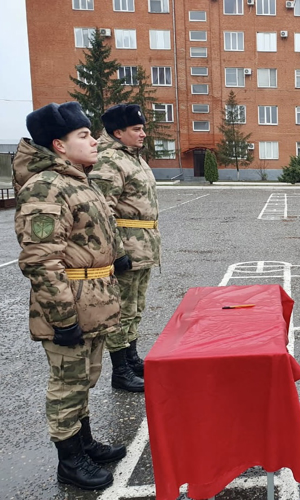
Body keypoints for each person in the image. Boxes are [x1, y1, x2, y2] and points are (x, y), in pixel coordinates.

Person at [13, 102, 129, 490]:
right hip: (69, 306)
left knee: (84, 379)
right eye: (83, 135)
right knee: (67, 385)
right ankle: (70, 461)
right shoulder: (46, 185)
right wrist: (63, 319)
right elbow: (41, 260)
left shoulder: (78, 178)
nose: (94, 140)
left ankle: (84, 443)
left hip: (91, 301)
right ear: (58, 145)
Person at [90, 104, 161, 392]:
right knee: (120, 311)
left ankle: (131, 359)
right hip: (127, 249)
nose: (143, 133)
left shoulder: (133, 157)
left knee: (135, 308)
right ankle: (120, 371)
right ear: (118, 132)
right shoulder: (109, 160)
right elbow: (101, 210)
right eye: (136, 129)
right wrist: (116, 252)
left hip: (142, 248)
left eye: (142, 128)